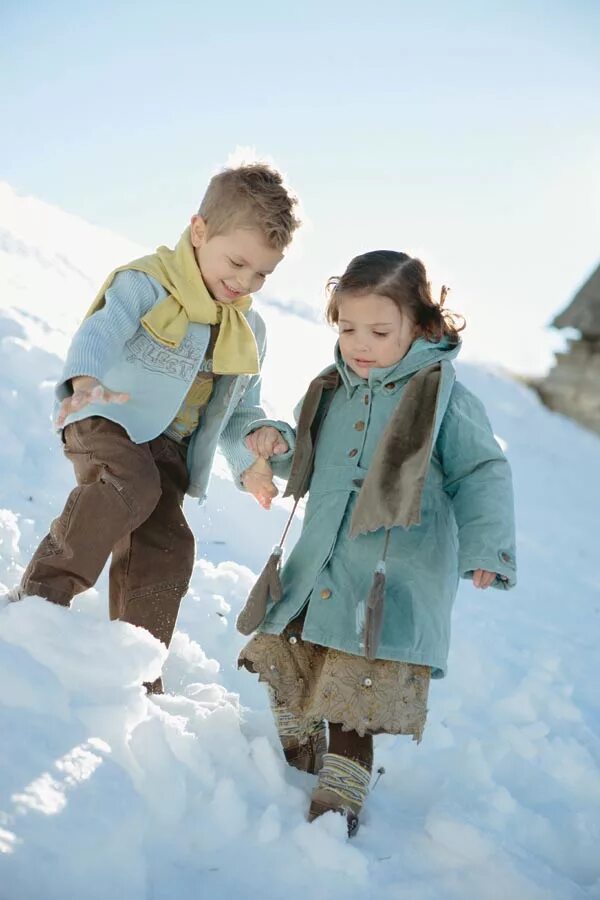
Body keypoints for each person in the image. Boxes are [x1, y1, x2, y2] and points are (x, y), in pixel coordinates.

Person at [237, 249, 516, 832]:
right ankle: (298, 745)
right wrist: (279, 447)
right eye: (347, 329)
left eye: (380, 331)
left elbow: (481, 472)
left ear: (422, 328)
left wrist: (488, 547)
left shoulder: (444, 398)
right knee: (287, 653)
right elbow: (313, 459)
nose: (359, 344)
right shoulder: (333, 388)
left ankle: (341, 793)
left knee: (354, 700)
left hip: (392, 579)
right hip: (324, 563)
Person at [9, 162, 299, 693]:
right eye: (237, 263)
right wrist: (86, 380)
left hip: (168, 450)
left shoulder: (248, 330)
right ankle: (40, 600)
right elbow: (103, 328)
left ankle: (137, 666)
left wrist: (254, 453)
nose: (245, 283)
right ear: (199, 231)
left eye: (261, 274)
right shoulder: (147, 283)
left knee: (167, 542)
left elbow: (238, 411)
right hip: (105, 418)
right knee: (129, 485)